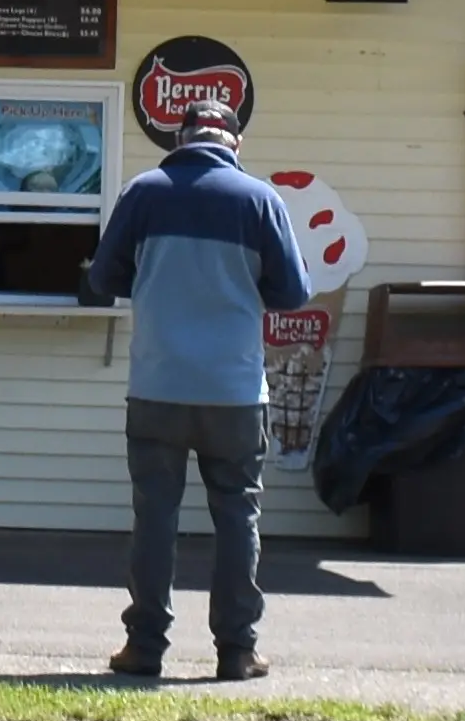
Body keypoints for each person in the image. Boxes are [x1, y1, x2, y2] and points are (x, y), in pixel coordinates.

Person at [80, 96, 312, 681]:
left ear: (179, 139)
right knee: (238, 515)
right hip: (234, 392)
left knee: (154, 516)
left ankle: (145, 648)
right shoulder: (261, 200)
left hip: (157, 385)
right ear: (235, 142)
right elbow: (293, 294)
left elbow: (103, 279)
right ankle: (236, 651)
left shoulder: (143, 192)